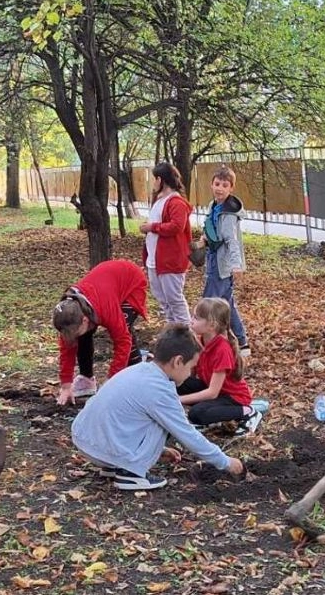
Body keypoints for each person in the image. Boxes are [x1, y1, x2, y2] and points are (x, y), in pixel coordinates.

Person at [71, 324, 245, 490]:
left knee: (153, 415)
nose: (191, 373)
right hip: (102, 446)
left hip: (84, 438)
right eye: (191, 367)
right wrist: (225, 462)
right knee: (165, 420)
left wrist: (158, 449)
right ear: (178, 361)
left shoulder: (140, 370)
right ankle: (131, 474)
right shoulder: (160, 390)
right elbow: (187, 434)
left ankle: (116, 464)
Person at [51, 259, 148, 404]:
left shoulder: (106, 308)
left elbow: (123, 342)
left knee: (124, 329)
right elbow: (67, 348)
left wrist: (111, 383)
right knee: (82, 335)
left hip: (131, 280)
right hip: (105, 285)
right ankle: (86, 380)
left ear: (85, 319)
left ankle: (140, 377)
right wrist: (66, 385)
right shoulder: (68, 314)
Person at [180, 297, 262, 434]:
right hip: (215, 391)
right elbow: (192, 373)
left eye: (197, 318)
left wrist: (179, 400)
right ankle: (212, 414)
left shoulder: (222, 350)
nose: (191, 320)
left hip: (232, 397)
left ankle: (248, 412)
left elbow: (212, 393)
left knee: (196, 414)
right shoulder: (200, 340)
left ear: (211, 325)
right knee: (178, 383)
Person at [196, 165, 249, 357]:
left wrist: (236, 265)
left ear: (231, 188)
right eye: (217, 184)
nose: (220, 188)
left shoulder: (228, 214)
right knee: (227, 304)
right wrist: (203, 240)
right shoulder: (214, 207)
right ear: (212, 184)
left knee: (209, 304)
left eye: (224, 185)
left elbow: (231, 241)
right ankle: (242, 342)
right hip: (213, 259)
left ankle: (209, 344)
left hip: (222, 265)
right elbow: (211, 229)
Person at [141, 163, 192, 325]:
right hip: (155, 261)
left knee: (174, 300)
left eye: (154, 179)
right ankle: (174, 335)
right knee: (164, 301)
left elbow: (177, 226)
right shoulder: (159, 200)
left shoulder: (176, 202)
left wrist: (152, 227)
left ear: (160, 179)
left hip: (170, 260)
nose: (153, 183)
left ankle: (187, 337)